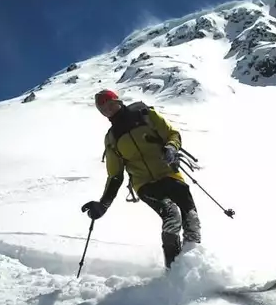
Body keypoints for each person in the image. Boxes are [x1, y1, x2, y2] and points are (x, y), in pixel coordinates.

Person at [81, 89, 201, 269]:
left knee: (190, 216)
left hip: (170, 174)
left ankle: (195, 263)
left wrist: (171, 147)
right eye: (103, 108)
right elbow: (115, 176)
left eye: (110, 104)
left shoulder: (145, 115)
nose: (108, 109)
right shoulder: (112, 139)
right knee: (171, 215)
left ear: (118, 101)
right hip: (144, 184)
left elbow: (172, 134)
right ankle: (174, 270)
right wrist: (103, 205)